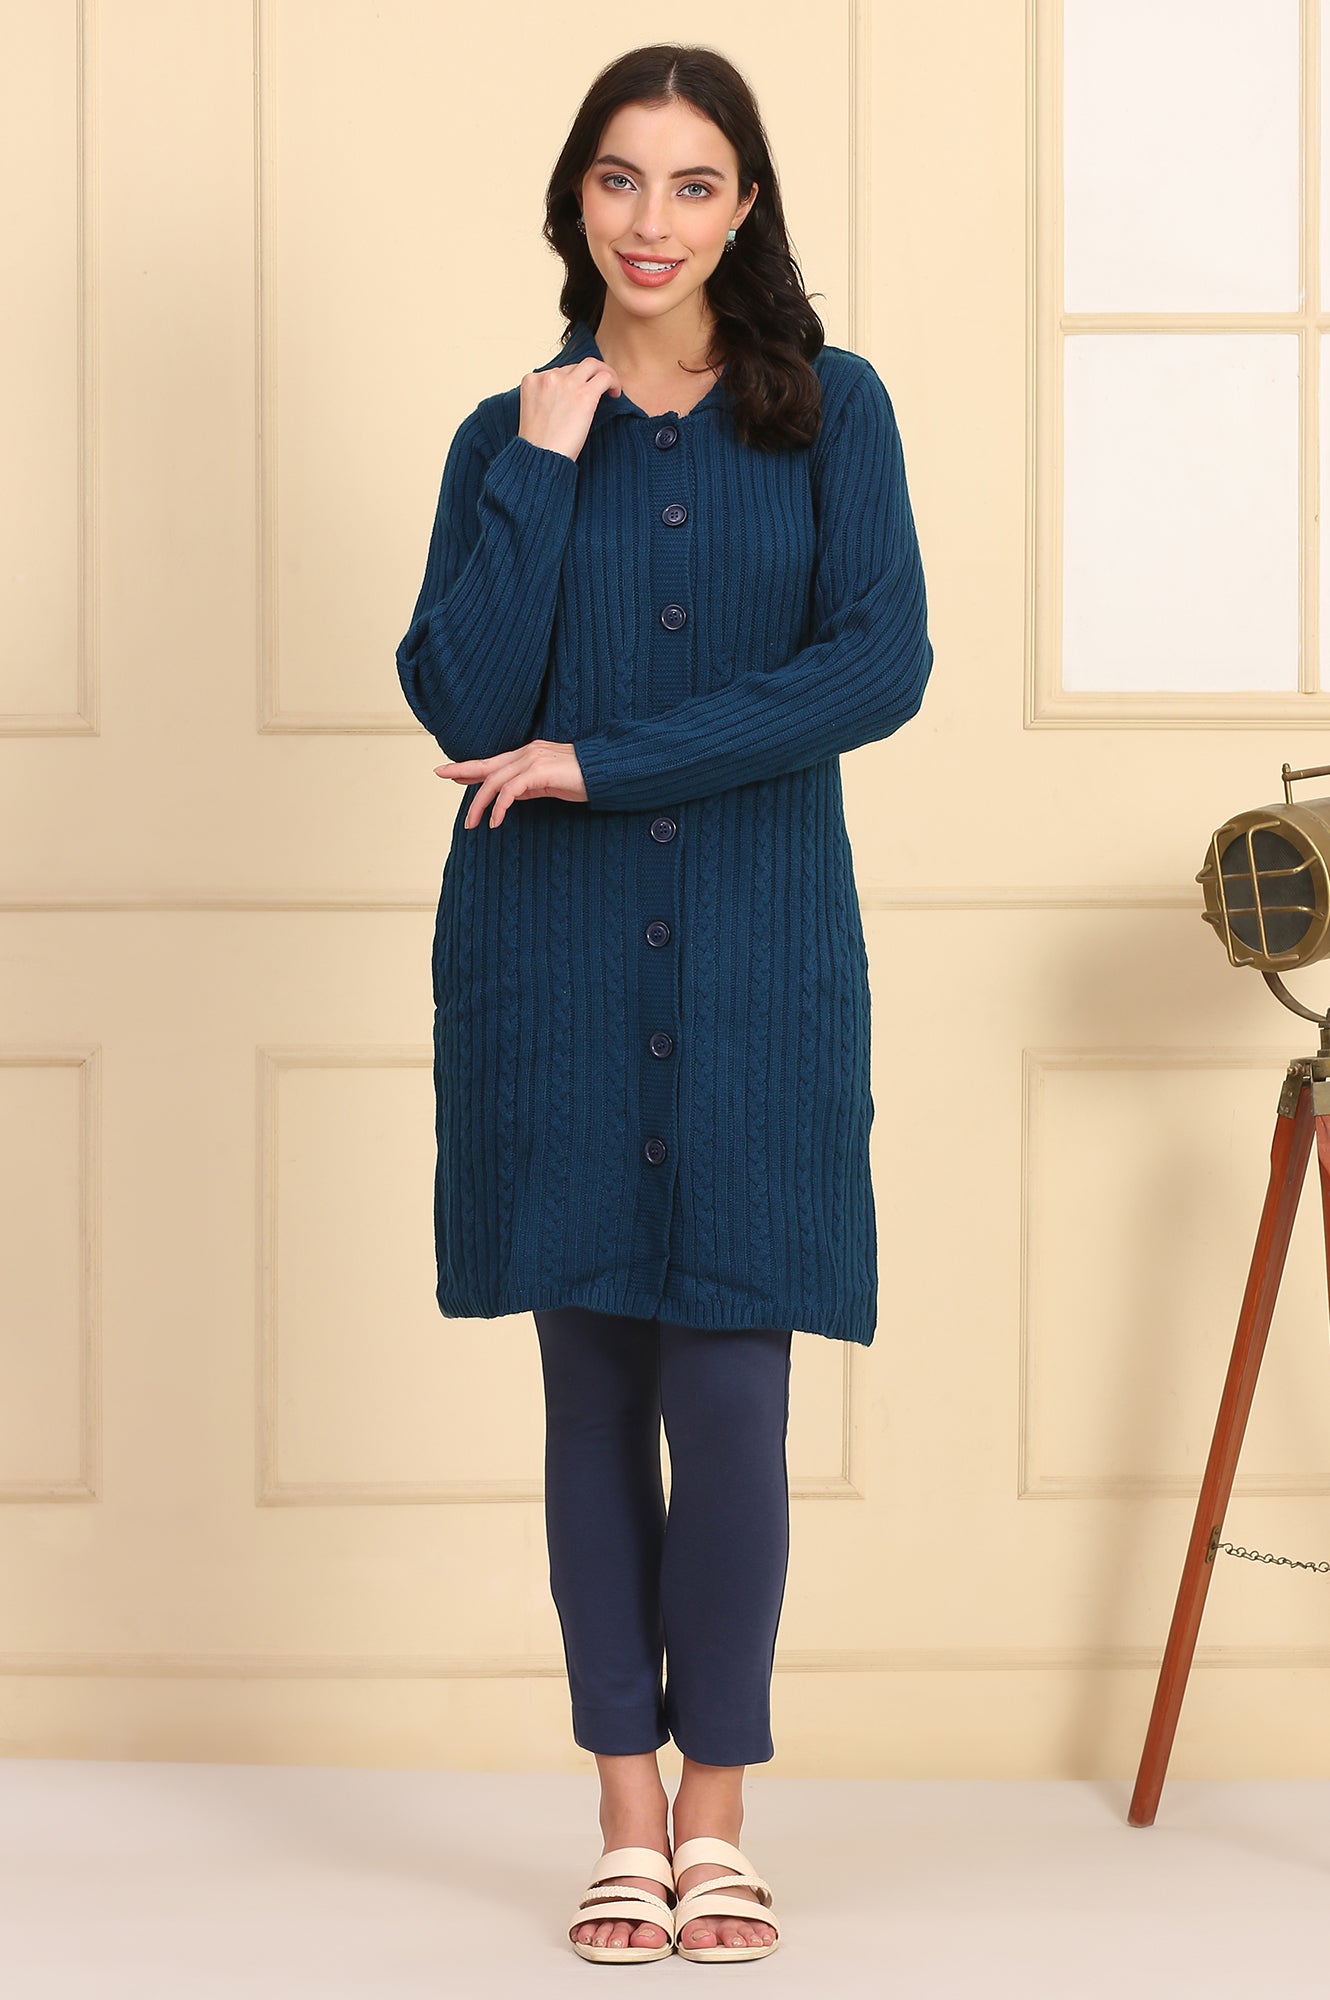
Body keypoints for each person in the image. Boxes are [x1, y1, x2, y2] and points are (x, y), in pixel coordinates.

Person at [394, 42, 933, 1966]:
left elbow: (876, 666)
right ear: (576, 199)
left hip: (758, 966)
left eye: (693, 183)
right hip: (549, 969)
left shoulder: (831, 411)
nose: (652, 220)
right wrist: (544, 470)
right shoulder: (504, 432)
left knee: (731, 1395)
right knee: (592, 1394)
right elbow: (464, 697)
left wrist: (604, 760)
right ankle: (624, 1813)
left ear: (744, 205)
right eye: (620, 180)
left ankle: (720, 1815)